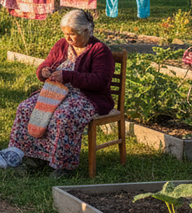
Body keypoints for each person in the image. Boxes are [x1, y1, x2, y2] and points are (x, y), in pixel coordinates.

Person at [7, 10, 114, 179]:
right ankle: (30, 158)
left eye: (72, 34)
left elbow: (100, 81)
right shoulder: (61, 45)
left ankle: (63, 166)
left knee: (62, 116)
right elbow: (46, 64)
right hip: (54, 92)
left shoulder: (100, 50)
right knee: (25, 108)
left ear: (86, 31)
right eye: (65, 34)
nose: (68, 38)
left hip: (87, 96)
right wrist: (43, 72)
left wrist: (68, 76)